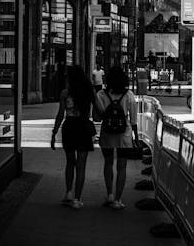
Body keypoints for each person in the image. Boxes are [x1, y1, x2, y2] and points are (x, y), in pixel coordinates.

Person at [51, 65, 95, 209]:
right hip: (83, 126)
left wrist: (54, 133)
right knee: (81, 166)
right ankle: (77, 199)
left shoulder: (65, 93)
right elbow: (97, 111)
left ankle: (68, 192)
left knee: (70, 162)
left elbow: (60, 114)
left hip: (69, 126)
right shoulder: (89, 91)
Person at [95, 66, 139, 209]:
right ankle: (118, 199)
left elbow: (98, 116)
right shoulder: (129, 95)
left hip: (107, 133)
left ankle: (109, 195)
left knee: (108, 163)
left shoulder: (101, 94)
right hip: (124, 134)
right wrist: (136, 137)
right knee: (122, 166)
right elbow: (133, 120)